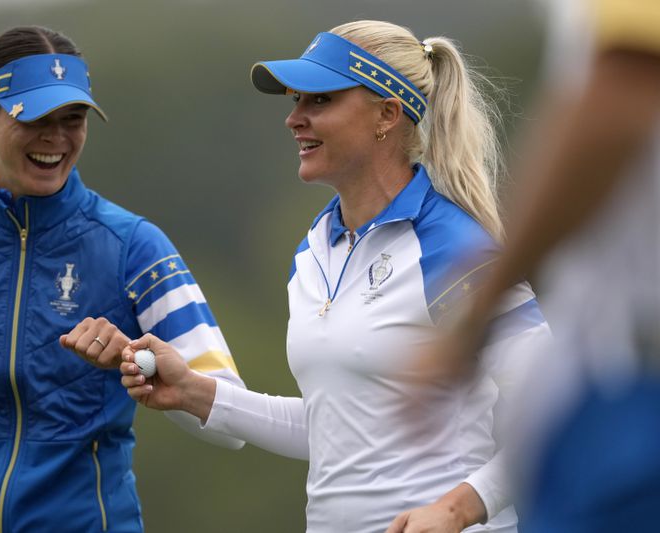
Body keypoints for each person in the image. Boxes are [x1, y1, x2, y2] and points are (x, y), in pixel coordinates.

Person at [91, 20, 551, 533]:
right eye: (295, 102)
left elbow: (558, 409)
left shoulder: (453, 246)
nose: (294, 120)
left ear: (387, 114)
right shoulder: (313, 252)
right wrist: (195, 391)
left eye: (319, 101)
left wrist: (456, 509)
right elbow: (337, 427)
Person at [0, 25, 244, 533]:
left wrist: (138, 357)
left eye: (73, 118)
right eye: (35, 117)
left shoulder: (137, 248)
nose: (56, 138)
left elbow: (229, 416)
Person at [412, 0, 660, 531]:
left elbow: (619, 101)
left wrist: (475, 318)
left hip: (633, 380)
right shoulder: (321, 245)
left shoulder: (442, 234)